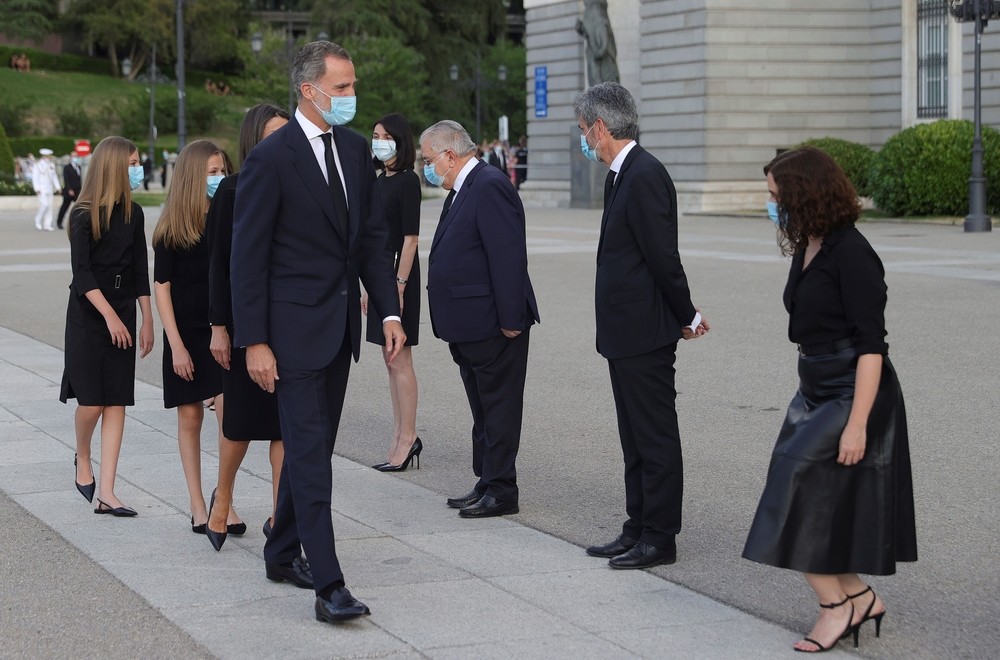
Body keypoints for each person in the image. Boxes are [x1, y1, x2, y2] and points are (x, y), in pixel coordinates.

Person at [231, 40, 405, 624]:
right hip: (289, 336)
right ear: (310, 90)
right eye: (343, 88)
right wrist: (253, 339)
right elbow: (246, 258)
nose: (353, 97)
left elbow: (373, 242)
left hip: (340, 332)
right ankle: (329, 584)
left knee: (313, 450)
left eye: (353, 85)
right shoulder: (271, 158)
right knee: (311, 457)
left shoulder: (355, 152)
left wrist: (389, 314)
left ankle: (280, 550)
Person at [742, 146, 917, 653]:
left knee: (790, 488)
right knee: (816, 500)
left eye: (776, 196)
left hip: (852, 388)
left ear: (803, 192)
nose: (771, 204)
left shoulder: (854, 254)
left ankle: (835, 607)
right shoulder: (809, 242)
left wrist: (858, 423)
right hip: (814, 385)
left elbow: (871, 348)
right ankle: (860, 595)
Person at [574, 82, 709, 570]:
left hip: (644, 333)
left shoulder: (646, 174)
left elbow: (662, 256)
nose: (583, 140)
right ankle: (637, 525)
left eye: (583, 131)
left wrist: (686, 314)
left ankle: (660, 535)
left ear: (600, 127)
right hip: (623, 332)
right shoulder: (620, 173)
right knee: (633, 436)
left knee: (653, 435)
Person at [420, 120, 540, 519]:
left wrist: (510, 319)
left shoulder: (488, 185)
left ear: (450, 156)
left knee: (499, 407)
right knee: (483, 409)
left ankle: (503, 489)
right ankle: (487, 479)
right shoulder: (462, 188)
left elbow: (507, 257)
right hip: (468, 324)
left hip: (493, 323)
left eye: (428, 160)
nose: (426, 168)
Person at [205, 103, 290, 551]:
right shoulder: (233, 191)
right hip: (242, 325)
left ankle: (280, 515)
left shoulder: (297, 186)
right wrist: (219, 326)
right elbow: (220, 265)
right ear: (254, 139)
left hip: (287, 322)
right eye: (272, 134)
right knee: (238, 425)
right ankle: (223, 501)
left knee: (282, 428)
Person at [60, 136, 154, 517]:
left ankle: (109, 492)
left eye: (138, 162)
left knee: (117, 400)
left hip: (123, 309)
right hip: (88, 312)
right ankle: (82, 455)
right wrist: (110, 316)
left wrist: (148, 319)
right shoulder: (83, 214)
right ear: (113, 166)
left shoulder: (134, 213)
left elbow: (139, 270)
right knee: (92, 402)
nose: (137, 169)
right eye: (131, 163)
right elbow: (81, 275)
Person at [152, 140, 234, 537]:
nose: (220, 179)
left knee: (227, 413)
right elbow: (161, 287)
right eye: (211, 173)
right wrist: (177, 345)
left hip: (221, 330)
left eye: (222, 171)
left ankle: (225, 499)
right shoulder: (171, 228)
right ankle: (197, 502)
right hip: (184, 332)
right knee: (190, 416)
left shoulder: (230, 218)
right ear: (192, 177)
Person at [363, 112, 423, 472]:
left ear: (401, 142)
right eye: (375, 134)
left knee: (401, 359)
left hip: (400, 277)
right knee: (389, 360)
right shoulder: (376, 181)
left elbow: (410, 239)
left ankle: (408, 437)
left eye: (386, 135)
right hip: (380, 276)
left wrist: (397, 286)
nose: (379, 140)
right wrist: (371, 286)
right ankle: (399, 433)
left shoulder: (407, 182)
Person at [32, 148, 62, 231]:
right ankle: (37, 219)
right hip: (41, 189)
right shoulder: (37, 165)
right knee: (44, 205)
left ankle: (47, 224)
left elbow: (54, 177)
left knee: (50, 207)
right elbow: (35, 177)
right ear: (44, 156)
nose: (50, 157)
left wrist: (58, 187)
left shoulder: (51, 165)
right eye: (48, 156)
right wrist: (36, 188)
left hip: (49, 188)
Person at [57, 150, 84, 230]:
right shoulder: (67, 167)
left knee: (79, 207)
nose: (75, 158)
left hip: (77, 191)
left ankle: (78, 223)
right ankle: (59, 222)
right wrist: (69, 189)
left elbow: (79, 179)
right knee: (64, 207)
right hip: (69, 191)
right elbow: (66, 180)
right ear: (71, 157)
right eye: (74, 156)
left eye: (76, 156)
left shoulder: (78, 167)